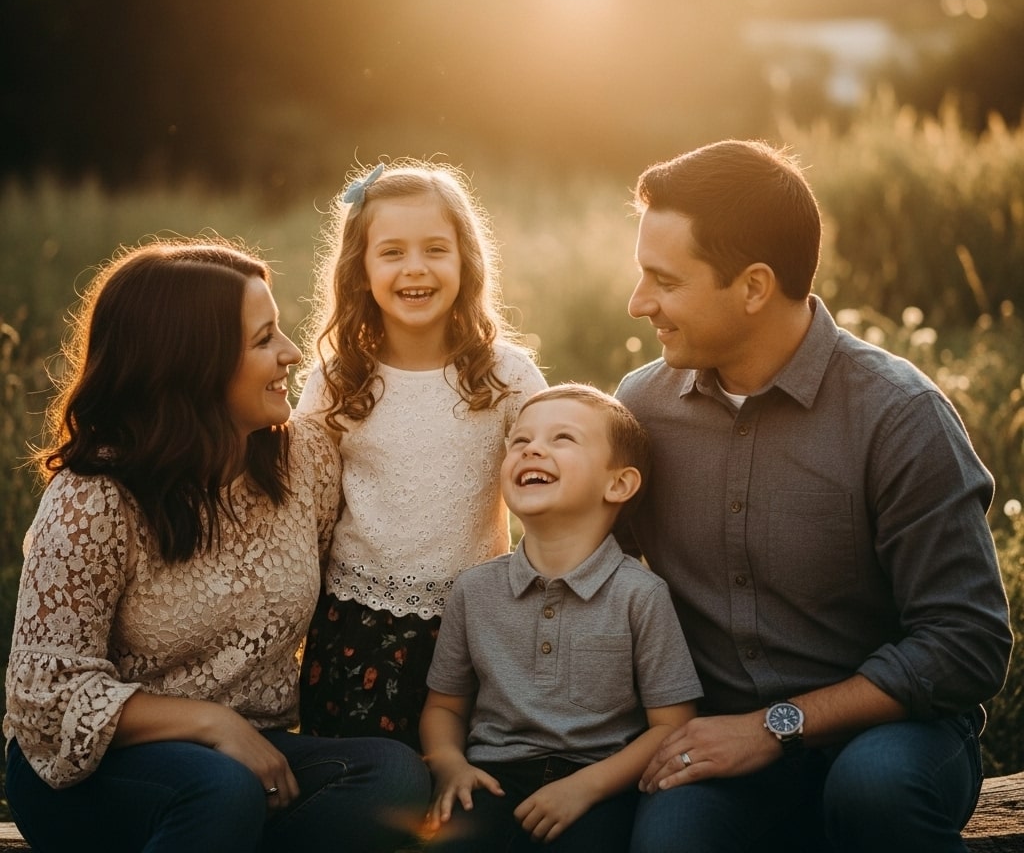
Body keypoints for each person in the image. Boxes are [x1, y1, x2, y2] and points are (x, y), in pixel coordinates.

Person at [614, 139, 1013, 853]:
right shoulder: (641, 409)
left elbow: (967, 644)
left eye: (664, 280)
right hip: (720, 743)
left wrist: (775, 727)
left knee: (874, 792)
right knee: (669, 842)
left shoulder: (898, 415)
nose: (638, 302)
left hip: (894, 735)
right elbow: (595, 582)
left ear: (755, 286)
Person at [3, 238, 431, 853]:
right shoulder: (93, 499)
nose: (290, 353)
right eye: (263, 340)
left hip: (253, 755)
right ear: (190, 364)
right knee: (217, 790)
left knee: (391, 777)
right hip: (94, 771)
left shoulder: (304, 459)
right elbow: (47, 697)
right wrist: (211, 723)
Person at [297, 159, 547, 750]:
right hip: (355, 625)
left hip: (478, 621)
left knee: (469, 783)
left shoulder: (506, 375)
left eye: (436, 248)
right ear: (360, 268)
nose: (416, 268)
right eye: (392, 252)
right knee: (375, 788)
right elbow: (302, 506)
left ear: (466, 260)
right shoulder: (336, 380)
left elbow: (556, 482)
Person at [420, 383, 703, 852]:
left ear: (619, 484)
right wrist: (451, 764)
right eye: (520, 440)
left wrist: (586, 788)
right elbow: (445, 706)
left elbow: (672, 727)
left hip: (601, 786)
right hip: (492, 778)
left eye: (562, 439)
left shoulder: (641, 595)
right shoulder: (474, 589)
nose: (532, 448)